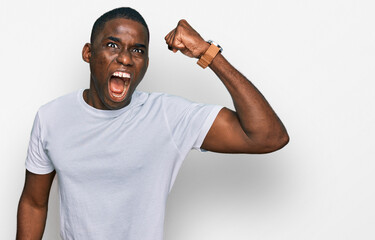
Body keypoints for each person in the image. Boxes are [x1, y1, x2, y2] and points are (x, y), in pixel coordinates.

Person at [16, 7, 289, 240]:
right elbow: (34, 202)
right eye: (112, 45)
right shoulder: (51, 117)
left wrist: (207, 52)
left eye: (137, 50)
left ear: (145, 62)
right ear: (89, 53)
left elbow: (268, 137)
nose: (125, 58)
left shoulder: (167, 116)